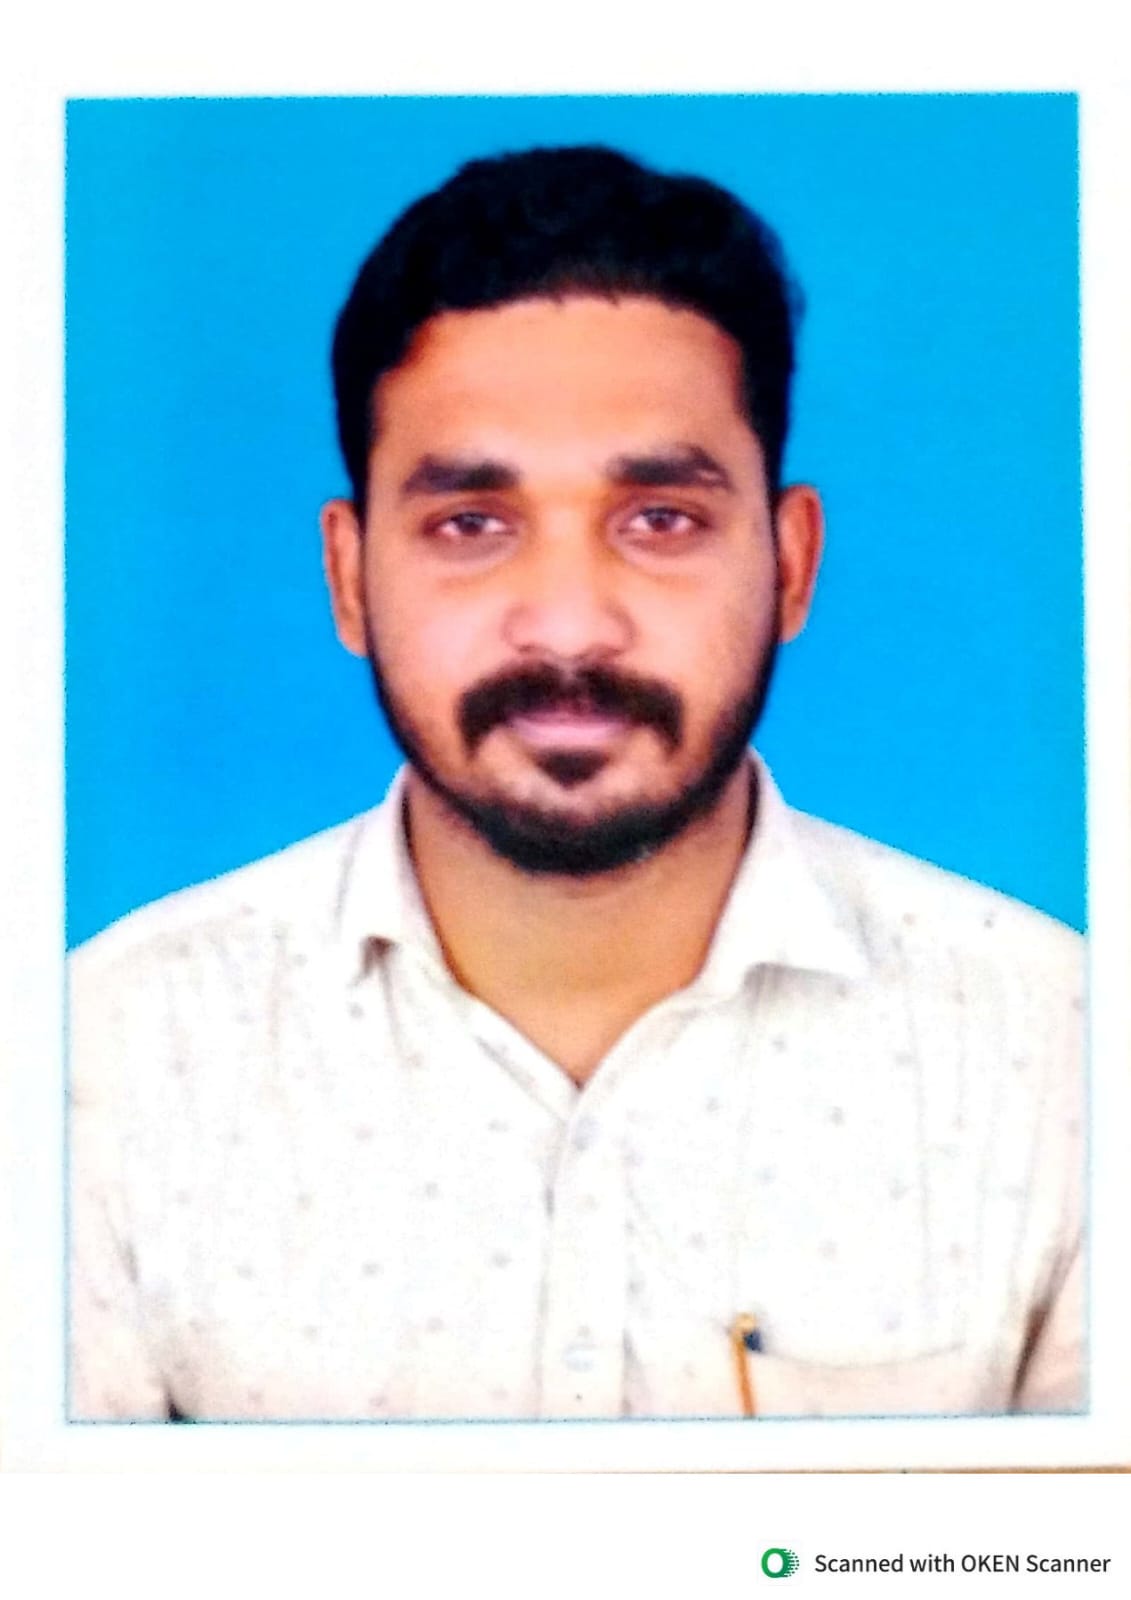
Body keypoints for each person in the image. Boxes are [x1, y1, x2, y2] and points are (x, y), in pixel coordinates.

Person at [69, 144, 1084, 1423]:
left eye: (659, 518)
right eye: (471, 524)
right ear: (348, 576)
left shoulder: (1064, 1056)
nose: (567, 625)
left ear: (790, 563)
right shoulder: (99, 1063)